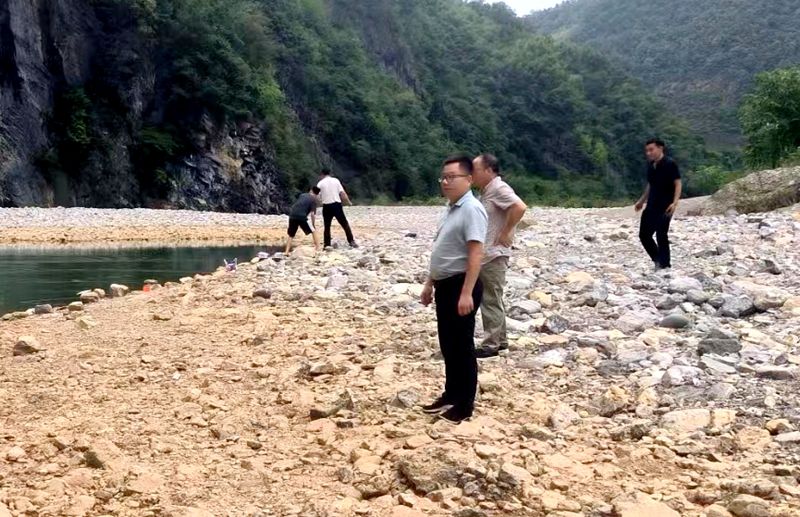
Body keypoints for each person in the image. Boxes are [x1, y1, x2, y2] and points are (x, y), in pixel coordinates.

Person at [420, 154, 488, 423]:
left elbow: (476, 253)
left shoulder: (472, 209)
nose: (446, 182)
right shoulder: (451, 208)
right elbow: (441, 249)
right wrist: (429, 283)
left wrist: (467, 292)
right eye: (443, 177)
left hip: (461, 284)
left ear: (469, 179)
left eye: (452, 177)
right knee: (448, 344)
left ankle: (465, 404)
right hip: (445, 284)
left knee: (462, 345)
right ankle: (451, 393)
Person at [471, 154, 527, 358]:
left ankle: (491, 344)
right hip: (489, 253)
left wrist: (506, 231)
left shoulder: (498, 188)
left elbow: (520, 206)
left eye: (475, 170)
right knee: (492, 296)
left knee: (489, 298)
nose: (471, 174)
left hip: (494, 254)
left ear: (488, 170)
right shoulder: (488, 191)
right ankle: (500, 340)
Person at [635, 138, 682, 270]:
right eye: (647, 151)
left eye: (651, 150)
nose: (648, 153)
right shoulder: (651, 165)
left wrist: (675, 202)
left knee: (661, 234)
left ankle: (665, 265)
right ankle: (657, 259)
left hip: (666, 205)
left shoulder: (670, 164)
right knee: (644, 235)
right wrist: (641, 201)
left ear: (660, 148)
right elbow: (650, 184)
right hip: (652, 204)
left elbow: (678, 183)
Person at [316, 168, 357, 249]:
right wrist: (349, 202)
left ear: (322, 174)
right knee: (344, 224)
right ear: (329, 173)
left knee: (327, 226)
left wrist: (320, 202)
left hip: (327, 206)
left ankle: (327, 244)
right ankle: (351, 241)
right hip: (337, 205)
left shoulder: (320, 183)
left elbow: (316, 196)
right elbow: (342, 193)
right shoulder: (336, 180)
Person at [285, 186, 321, 254]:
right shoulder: (313, 200)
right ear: (317, 194)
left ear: (311, 190)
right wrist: (313, 224)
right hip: (302, 216)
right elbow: (312, 214)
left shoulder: (302, 195)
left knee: (291, 234)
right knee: (313, 230)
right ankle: (318, 248)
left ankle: (286, 252)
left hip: (292, 215)